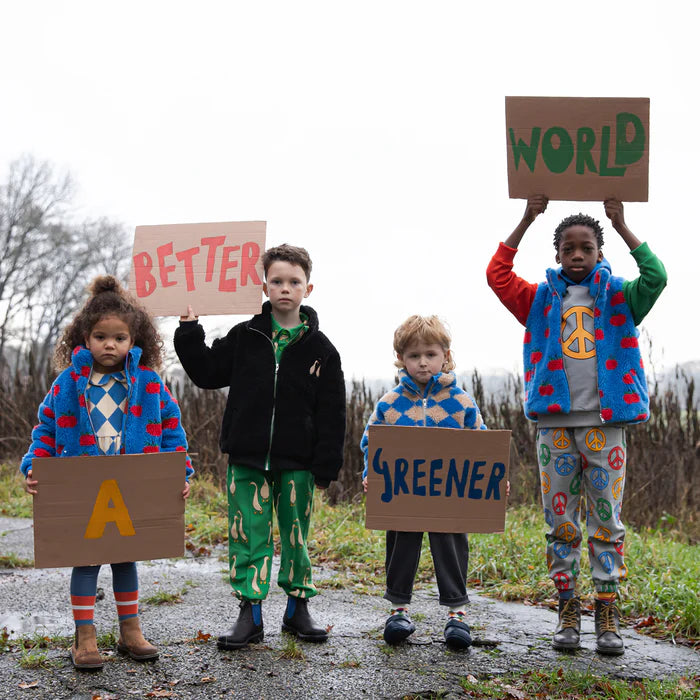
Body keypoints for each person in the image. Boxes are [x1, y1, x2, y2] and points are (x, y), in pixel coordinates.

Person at [486, 196, 667, 655]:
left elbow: (657, 277)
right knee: (559, 522)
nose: (579, 255)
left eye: (587, 247)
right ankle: (568, 607)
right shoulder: (540, 299)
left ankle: (607, 611)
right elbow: (498, 276)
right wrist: (528, 217)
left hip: (605, 429)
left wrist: (621, 224)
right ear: (558, 256)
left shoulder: (621, 297)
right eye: (569, 248)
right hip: (555, 428)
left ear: (600, 253)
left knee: (607, 520)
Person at [174, 243, 346, 650]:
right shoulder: (244, 337)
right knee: (248, 534)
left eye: (294, 281)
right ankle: (249, 614)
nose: (285, 288)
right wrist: (189, 328)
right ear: (264, 285)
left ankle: (297, 609)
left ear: (309, 287)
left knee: (295, 535)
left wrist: (326, 466)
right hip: (248, 458)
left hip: (297, 462)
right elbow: (207, 372)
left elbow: (332, 413)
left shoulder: (322, 350)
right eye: (277, 281)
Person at [20, 275, 194, 671]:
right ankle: (85, 637)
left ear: (135, 341)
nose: (110, 345)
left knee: (125, 558)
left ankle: (130, 630)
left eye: (119, 338)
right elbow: (45, 429)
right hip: (84, 485)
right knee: (85, 559)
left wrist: (178, 473)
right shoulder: (67, 383)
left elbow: (171, 429)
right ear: (84, 338)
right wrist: (35, 465)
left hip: (131, 484)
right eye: (101, 336)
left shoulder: (149, 384)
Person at [360, 315, 487, 650]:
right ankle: (398, 611)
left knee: (451, 546)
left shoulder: (461, 402)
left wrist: (493, 479)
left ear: (445, 355)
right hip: (403, 493)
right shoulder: (389, 403)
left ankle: (456, 615)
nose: (422, 362)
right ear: (401, 358)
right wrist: (369, 475)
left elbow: (482, 445)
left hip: (449, 496)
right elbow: (370, 442)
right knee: (401, 545)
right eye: (414, 355)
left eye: (430, 354)